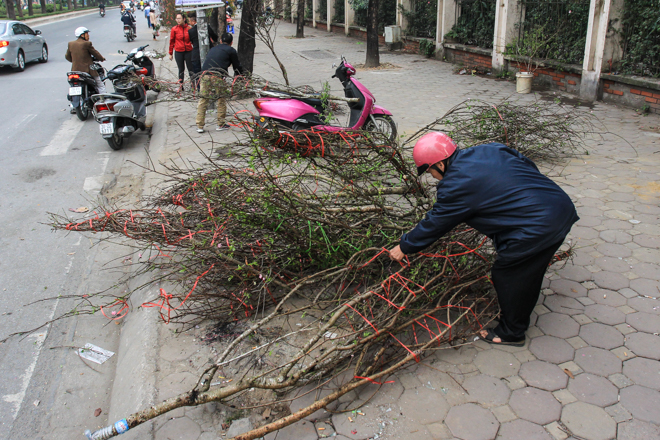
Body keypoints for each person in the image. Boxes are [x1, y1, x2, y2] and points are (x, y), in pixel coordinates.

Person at [389, 132, 579, 347]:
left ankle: (511, 332)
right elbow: (527, 165)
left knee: (508, 274)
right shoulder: (489, 149)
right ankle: (520, 305)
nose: (431, 176)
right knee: (527, 268)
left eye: (429, 171)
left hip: (540, 226)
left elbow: (436, 222)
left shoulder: (455, 185)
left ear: (440, 165)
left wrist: (405, 246)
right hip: (559, 205)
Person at [195, 32, 244, 132]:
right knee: (221, 99)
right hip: (218, 76)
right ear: (231, 42)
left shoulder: (213, 49)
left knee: (203, 100)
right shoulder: (231, 50)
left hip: (205, 74)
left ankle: (199, 126)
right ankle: (220, 124)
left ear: (221, 41)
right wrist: (240, 76)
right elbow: (237, 67)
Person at [65, 26, 106, 112]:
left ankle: (72, 104)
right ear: (82, 35)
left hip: (75, 70)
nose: (88, 36)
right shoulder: (87, 44)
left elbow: (67, 56)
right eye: (87, 34)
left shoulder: (71, 44)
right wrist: (102, 58)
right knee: (99, 84)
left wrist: (75, 61)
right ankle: (104, 102)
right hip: (88, 70)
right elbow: (95, 53)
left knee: (73, 86)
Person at [169, 13, 194, 90]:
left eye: (179, 18)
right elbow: (172, 41)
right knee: (181, 69)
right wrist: (170, 53)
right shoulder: (174, 29)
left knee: (191, 69)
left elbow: (193, 40)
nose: (178, 20)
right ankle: (181, 85)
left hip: (188, 51)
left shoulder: (189, 28)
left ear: (184, 19)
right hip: (178, 51)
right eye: (177, 19)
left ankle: (193, 84)